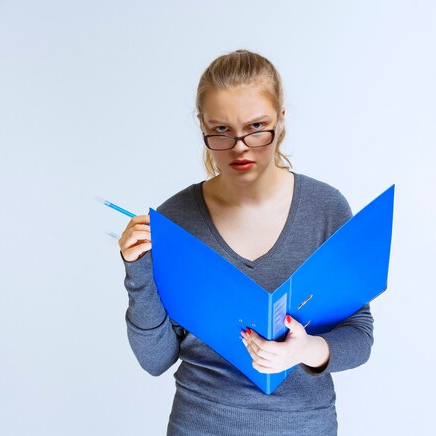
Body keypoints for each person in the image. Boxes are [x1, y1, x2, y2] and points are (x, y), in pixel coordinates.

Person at [118, 49, 374, 436]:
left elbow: (360, 335)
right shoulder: (175, 219)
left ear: (281, 120)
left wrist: (304, 350)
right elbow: (155, 360)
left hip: (304, 427)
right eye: (221, 130)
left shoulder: (326, 209)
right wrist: (137, 270)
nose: (240, 147)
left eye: (257, 126)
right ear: (202, 125)